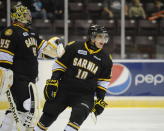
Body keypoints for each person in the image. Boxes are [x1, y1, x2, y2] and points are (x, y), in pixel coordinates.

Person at [34, 24, 113, 131]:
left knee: (78, 116)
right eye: (100, 36)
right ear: (92, 36)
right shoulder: (74, 46)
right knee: (47, 118)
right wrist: (53, 81)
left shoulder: (106, 59)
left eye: (104, 37)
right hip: (64, 90)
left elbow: (103, 82)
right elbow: (60, 65)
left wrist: (101, 99)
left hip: (84, 96)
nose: (103, 40)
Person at [0, 4, 65, 131]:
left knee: (18, 110)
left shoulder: (31, 34)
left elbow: (43, 51)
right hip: (18, 78)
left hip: (30, 79)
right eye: (26, 15)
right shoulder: (10, 32)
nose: (29, 17)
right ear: (18, 16)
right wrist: (4, 74)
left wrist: (56, 47)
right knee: (28, 108)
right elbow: (3, 57)